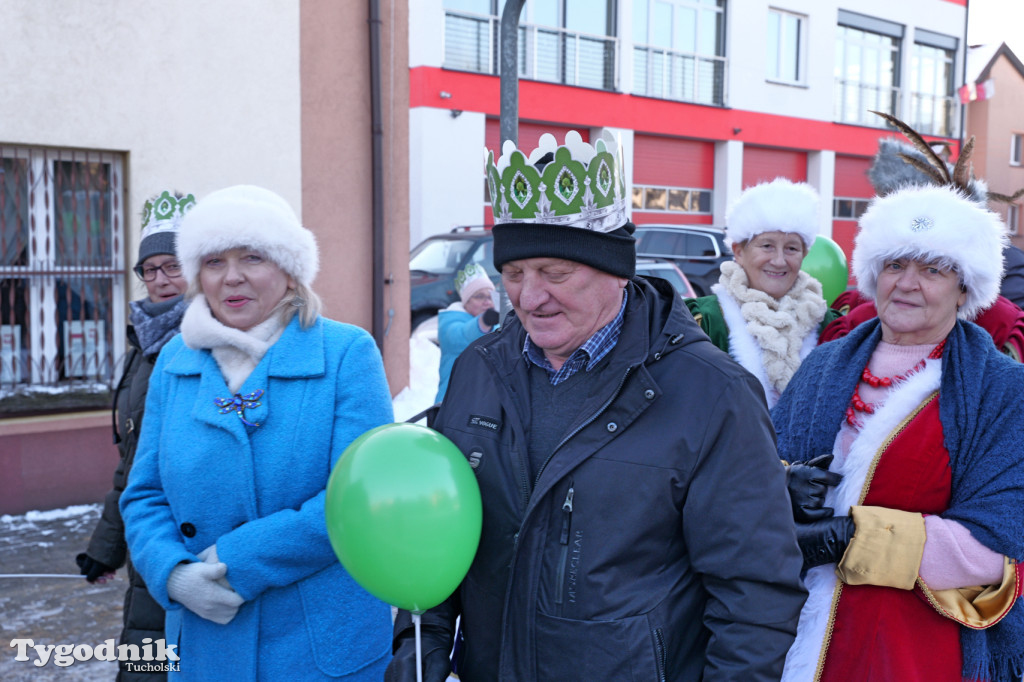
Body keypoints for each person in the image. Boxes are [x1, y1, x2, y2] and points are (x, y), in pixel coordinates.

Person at [387, 131, 807, 681]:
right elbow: (436, 527)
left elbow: (755, 593)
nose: (529, 297)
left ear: (616, 270)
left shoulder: (713, 394)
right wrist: (423, 645)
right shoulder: (479, 369)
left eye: (556, 274)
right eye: (513, 274)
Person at [120, 185, 394, 680]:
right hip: (206, 640)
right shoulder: (174, 363)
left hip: (318, 644)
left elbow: (359, 496)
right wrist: (173, 575)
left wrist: (236, 562)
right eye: (213, 261)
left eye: (253, 257)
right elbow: (144, 496)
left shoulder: (346, 353)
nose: (232, 278)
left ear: (290, 270)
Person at [773, 183, 1024, 681]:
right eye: (894, 266)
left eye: (932, 269)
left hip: (913, 650)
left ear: (964, 288)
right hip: (791, 637)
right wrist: (777, 485)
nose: (907, 284)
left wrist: (849, 540)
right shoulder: (824, 365)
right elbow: (755, 466)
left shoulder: (1003, 391)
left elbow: (997, 545)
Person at [76, 189, 194, 681]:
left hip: (184, 532)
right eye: (150, 269)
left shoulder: (199, 342)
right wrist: (109, 546)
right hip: (147, 529)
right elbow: (133, 458)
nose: (161, 280)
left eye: (173, 265)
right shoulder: (144, 342)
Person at [685, 178, 838, 408]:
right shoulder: (704, 320)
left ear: (804, 254)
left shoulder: (826, 323)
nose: (779, 261)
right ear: (738, 252)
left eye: (792, 248)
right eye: (766, 246)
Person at [435, 262, 499, 402]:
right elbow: (462, 335)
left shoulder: (495, 325)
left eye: (490, 296)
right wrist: (484, 321)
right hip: (453, 403)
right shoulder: (450, 323)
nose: (487, 302)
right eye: (479, 296)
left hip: (483, 403)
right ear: (466, 301)